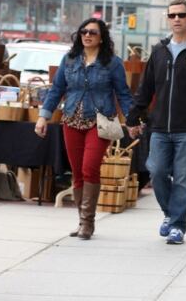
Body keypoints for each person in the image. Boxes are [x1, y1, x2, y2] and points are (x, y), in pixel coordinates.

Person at [126, 0, 186, 245]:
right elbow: (145, 88)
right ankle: (170, 213)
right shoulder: (159, 50)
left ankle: (177, 225)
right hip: (159, 127)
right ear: (168, 19)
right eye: (172, 15)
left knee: (184, 180)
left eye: (181, 15)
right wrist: (133, 117)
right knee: (155, 171)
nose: (176, 19)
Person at [34, 18, 133, 240]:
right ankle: (82, 221)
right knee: (77, 172)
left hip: (99, 122)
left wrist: (133, 120)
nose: (87, 35)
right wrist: (43, 117)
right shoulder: (69, 60)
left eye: (93, 32)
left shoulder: (113, 63)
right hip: (71, 121)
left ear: (101, 37)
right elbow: (57, 89)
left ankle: (88, 223)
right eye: (83, 32)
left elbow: (124, 94)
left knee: (90, 168)